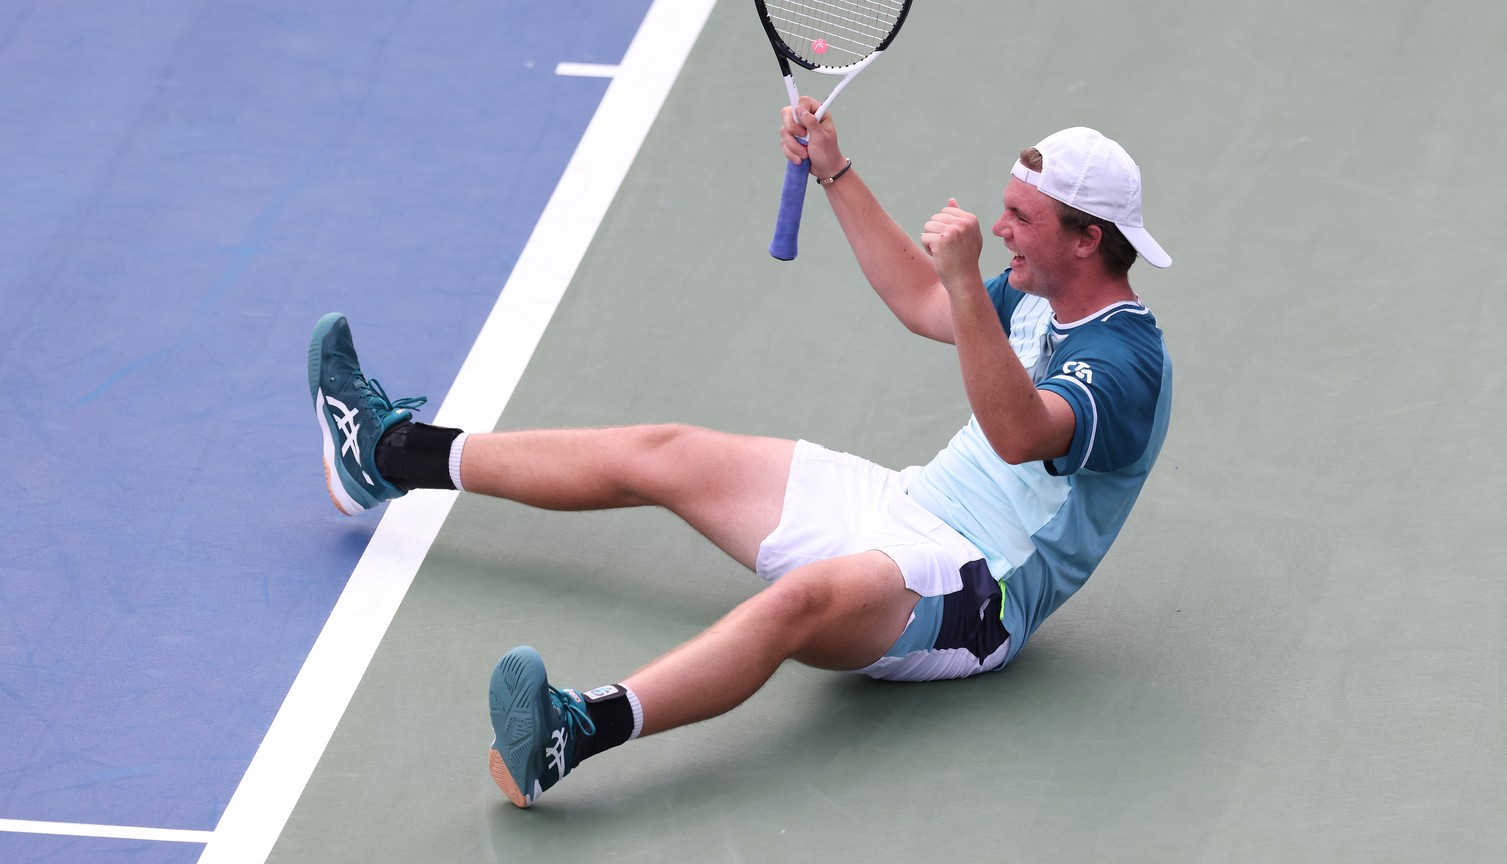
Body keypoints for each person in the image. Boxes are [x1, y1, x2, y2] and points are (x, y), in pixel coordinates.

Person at [306, 96, 1173, 808]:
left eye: (1022, 219)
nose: (1002, 228)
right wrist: (835, 169)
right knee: (666, 452)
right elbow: (921, 298)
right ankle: (388, 454)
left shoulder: (1126, 362)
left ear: (1087, 238)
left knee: (798, 603)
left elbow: (1018, 431)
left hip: (981, 586)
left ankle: (575, 729)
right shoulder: (1035, 293)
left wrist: (962, 279)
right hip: (902, 507)